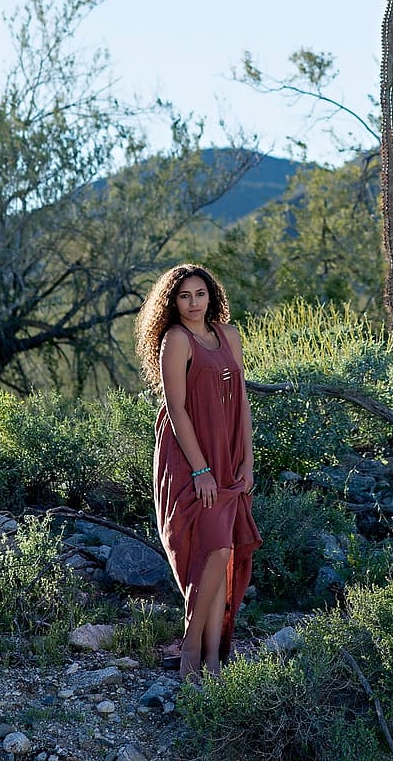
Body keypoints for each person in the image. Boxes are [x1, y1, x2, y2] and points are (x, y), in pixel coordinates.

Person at [135, 262, 261, 681]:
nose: (193, 303)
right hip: (188, 457)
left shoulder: (229, 335)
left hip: (227, 454)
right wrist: (201, 469)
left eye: (200, 294)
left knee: (222, 551)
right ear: (172, 302)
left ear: (212, 297)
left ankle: (212, 658)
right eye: (184, 296)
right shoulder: (175, 339)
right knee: (213, 550)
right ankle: (192, 651)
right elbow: (176, 409)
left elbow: (241, 400)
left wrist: (247, 459)